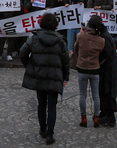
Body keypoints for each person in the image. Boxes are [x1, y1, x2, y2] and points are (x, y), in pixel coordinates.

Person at [19, 11, 70, 144]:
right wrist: (66, 76)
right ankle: (50, 134)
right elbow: (66, 60)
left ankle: (42, 129)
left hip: (39, 74)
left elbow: (22, 52)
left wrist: (30, 66)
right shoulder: (60, 40)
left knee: (41, 104)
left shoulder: (35, 38)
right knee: (52, 106)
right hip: (54, 76)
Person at [72, 13, 107, 127]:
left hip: (82, 67)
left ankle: (83, 118)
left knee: (83, 95)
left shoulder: (80, 36)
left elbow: (75, 48)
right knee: (95, 95)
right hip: (94, 68)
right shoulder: (101, 40)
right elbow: (101, 52)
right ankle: (96, 118)